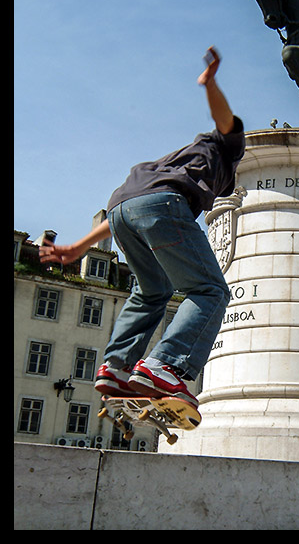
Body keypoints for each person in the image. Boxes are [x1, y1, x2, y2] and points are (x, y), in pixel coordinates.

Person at [39, 47, 245, 408]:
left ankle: (116, 367)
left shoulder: (170, 162)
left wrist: (79, 247)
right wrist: (210, 83)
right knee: (210, 290)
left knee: (153, 290)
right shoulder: (225, 149)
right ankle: (166, 365)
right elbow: (225, 119)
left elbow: (131, 209)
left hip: (122, 208)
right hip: (162, 206)